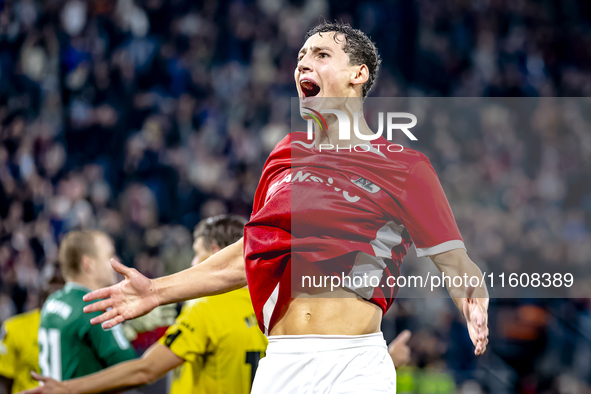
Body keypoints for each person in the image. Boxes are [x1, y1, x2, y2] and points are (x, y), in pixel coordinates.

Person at [79, 22, 489, 393]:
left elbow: (453, 261)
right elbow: (250, 255)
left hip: (354, 365)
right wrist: (156, 290)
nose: (303, 64)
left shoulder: (404, 166)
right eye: (301, 57)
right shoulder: (284, 155)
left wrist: (471, 300)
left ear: (357, 75)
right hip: (281, 362)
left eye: (321, 55)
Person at [19, 215, 268, 394]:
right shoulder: (270, 310)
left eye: (196, 252)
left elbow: (142, 370)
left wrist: (67, 389)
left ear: (215, 253)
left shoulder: (204, 311)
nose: (193, 262)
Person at [36, 231, 136, 380]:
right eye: (110, 255)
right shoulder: (94, 308)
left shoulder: (52, 301)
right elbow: (132, 369)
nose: (117, 261)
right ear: (88, 264)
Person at [0, 263, 64, 394]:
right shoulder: (14, 327)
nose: (55, 289)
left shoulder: (82, 330)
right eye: (51, 282)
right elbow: (3, 381)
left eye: (61, 283)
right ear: (40, 286)